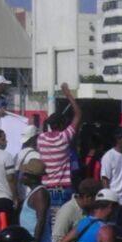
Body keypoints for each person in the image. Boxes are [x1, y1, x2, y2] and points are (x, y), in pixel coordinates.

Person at [38, 83, 82, 227]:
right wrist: (68, 94)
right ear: (63, 124)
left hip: (46, 188)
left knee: (49, 225)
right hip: (63, 188)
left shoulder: (41, 139)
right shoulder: (64, 138)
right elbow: (78, 114)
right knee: (63, 225)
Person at [19, 160, 52, 242]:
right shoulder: (34, 192)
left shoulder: (40, 194)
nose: (22, 177)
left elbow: (41, 219)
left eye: (25, 174)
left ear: (32, 177)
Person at [100, 129, 122, 238]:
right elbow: (105, 179)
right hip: (114, 201)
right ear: (118, 139)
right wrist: (109, 201)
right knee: (111, 231)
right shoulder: (109, 156)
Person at [15, 125, 40, 206]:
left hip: (19, 195)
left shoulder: (17, 155)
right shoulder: (36, 155)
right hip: (32, 194)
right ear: (34, 138)